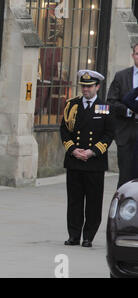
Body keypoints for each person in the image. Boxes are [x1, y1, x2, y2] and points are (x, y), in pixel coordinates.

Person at [60, 70, 114, 248]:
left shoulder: (104, 107)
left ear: (97, 87)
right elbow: (64, 131)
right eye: (83, 86)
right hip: (75, 160)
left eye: (89, 86)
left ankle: (88, 236)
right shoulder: (72, 105)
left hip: (94, 163)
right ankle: (73, 235)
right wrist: (74, 150)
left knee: (93, 201)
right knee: (74, 201)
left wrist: (92, 152)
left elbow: (108, 135)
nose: (85, 90)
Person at [106, 44, 138, 188]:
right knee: (125, 177)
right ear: (133, 55)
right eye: (137, 53)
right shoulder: (121, 76)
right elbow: (111, 102)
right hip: (126, 133)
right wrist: (129, 111)